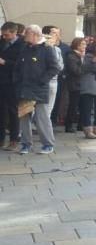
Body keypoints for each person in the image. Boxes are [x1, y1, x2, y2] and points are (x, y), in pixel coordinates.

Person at [13, 25, 62, 153]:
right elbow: (18, 66)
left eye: (26, 34)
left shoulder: (47, 48)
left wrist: (42, 80)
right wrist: (17, 80)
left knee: (42, 118)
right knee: (24, 117)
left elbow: (54, 68)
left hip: (39, 89)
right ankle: (26, 144)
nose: (24, 36)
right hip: (24, 88)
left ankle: (48, 144)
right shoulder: (25, 48)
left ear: (34, 34)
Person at [0, 21, 25, 149]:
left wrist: (5, 62)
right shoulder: (1, 42)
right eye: (3, 35)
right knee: (1, 111)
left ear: (15, 33)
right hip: (1, 81)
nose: (4, 37)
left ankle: (14, 139)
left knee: (13, 111)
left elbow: (22, 65)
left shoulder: (22, 45)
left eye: (6, 35)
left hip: (13, 82)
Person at [63, 37, 84, 133]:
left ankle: (81, 124)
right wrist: (82, 61)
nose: (85, 46)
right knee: (73, 105)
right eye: (83, 44)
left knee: (82, 105)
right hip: (74, 84)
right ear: (77, 45)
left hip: (82, 84)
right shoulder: (71, 56)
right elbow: (76, 70)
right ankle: (69, 124)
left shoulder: (81, 55)